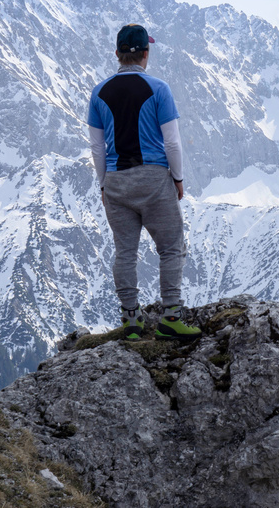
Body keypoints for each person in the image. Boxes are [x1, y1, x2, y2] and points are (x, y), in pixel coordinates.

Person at [87, 24, 201, 341]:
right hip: (153, 180)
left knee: (125, 252)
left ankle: (131, 323)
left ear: (117, 54)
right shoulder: (158, 89)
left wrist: (103, 185)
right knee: (170, 248)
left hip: (116, 182)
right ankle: (171, 319)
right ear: (146, 54)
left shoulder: (99, 93)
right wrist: (177, 178)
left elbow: (97, 148)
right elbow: (173, 143)